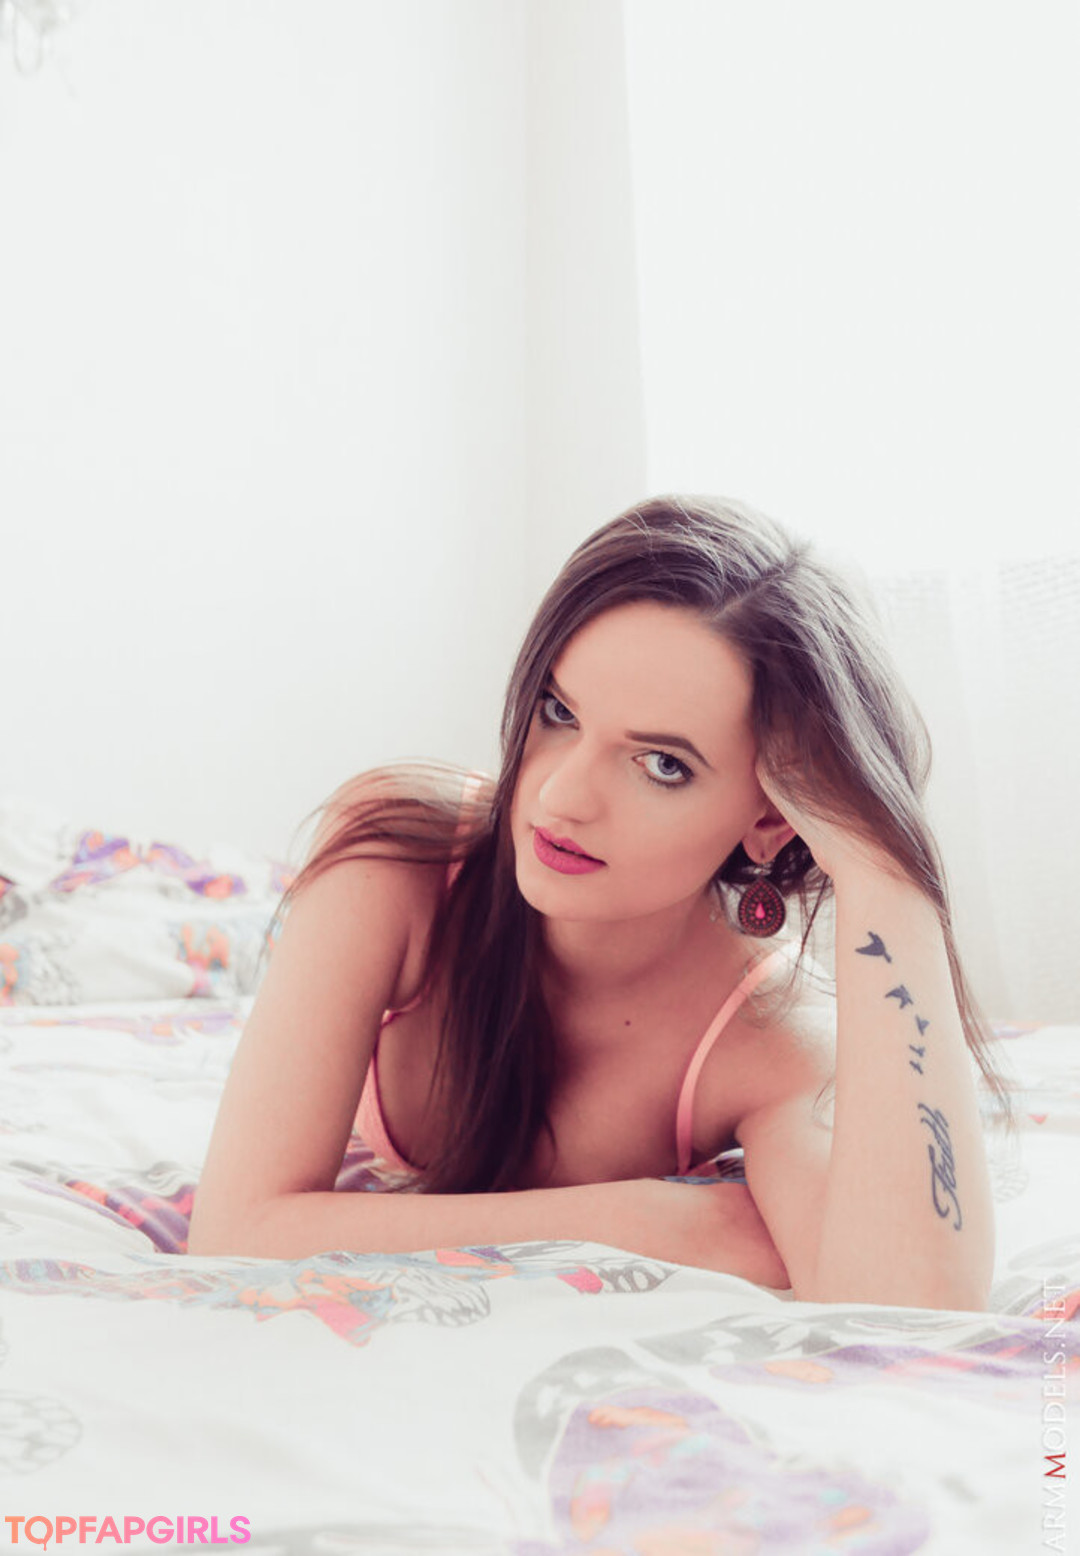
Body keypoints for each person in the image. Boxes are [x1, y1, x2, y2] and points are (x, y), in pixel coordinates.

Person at [188, 495, 1015, 1309]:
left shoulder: (770, 1039)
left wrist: (884, 870)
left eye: (661, 765)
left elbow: (912, 1302)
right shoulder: (397, 860)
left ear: (772, 817)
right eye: (559, 712)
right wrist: (645, 1221)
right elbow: (235, 1231)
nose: (561, 796)